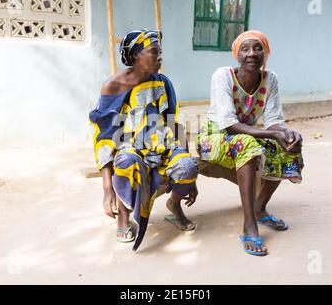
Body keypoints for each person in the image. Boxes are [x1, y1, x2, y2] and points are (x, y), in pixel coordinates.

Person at [89, 30, 198, 251]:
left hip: (162, 146)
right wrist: (106, 187)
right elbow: (105, 138)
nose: (160, 58)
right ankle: (124, 218)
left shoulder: (163, 83)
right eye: (154, 52)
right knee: (127, 161)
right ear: (136, 55)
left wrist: (192, 178)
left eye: (161, 53)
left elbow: (174, 123)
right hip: (129, 148)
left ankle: (174, 205)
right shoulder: (114, 86)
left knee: (188, 166)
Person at [197, 30, 304, 256]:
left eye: (258, 48)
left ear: (265, 54)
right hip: (212, 138)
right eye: (245, 49)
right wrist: (272, 135)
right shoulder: (222, 76)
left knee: (287, 146)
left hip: (247, 136)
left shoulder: (270, 79)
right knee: (246, 144)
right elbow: (227, 124)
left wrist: (287, 133)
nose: (252, 54)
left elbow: (275, 121)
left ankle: (259, 208)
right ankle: (249, 225)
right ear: (237, 55)